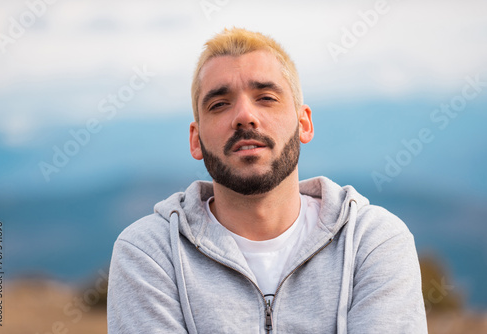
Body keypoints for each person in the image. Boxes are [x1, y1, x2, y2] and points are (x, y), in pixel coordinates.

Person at [107, 28, 427, 333]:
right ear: (196, 140)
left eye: (266, 97)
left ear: (304, 123)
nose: (245, 115)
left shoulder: (373, 243)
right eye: (219, 104)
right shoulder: (148, 253)